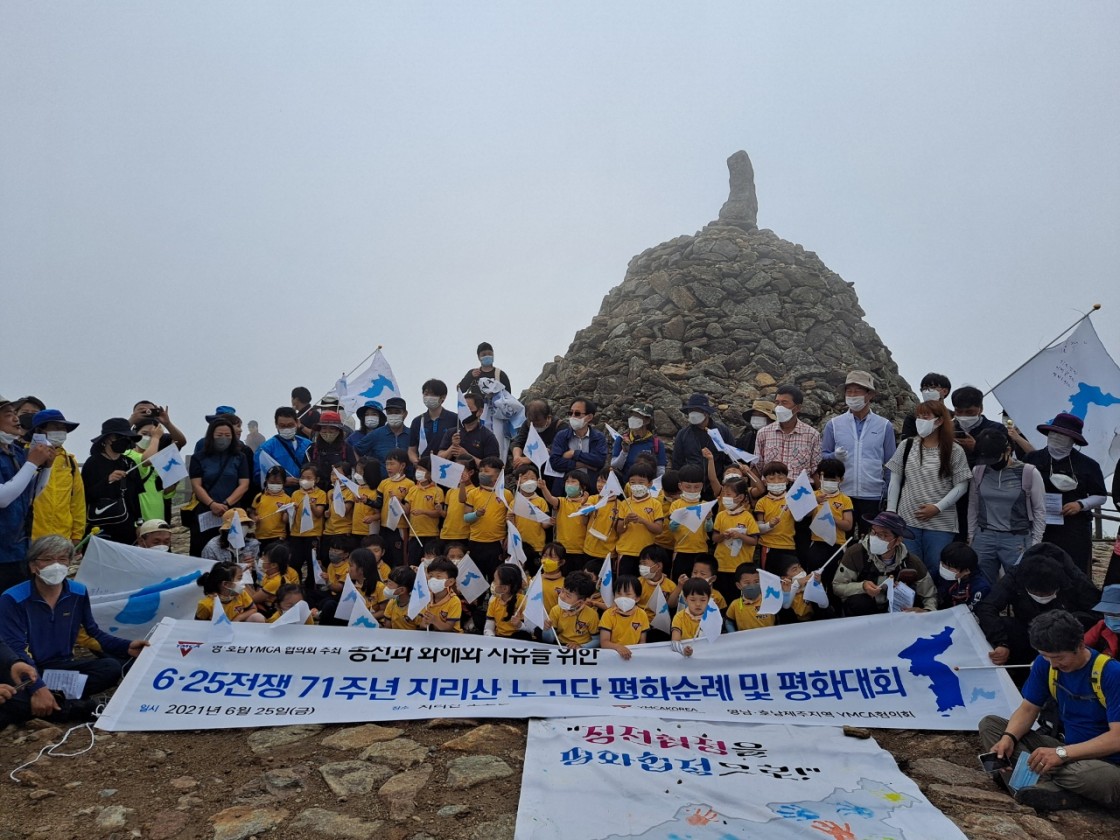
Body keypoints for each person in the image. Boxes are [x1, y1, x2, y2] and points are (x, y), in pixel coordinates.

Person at [977, 609, 1120, 810]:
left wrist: (1061, 754)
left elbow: (1117, 738)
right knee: (991, 725)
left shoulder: (1112, 673)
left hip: (1105, 763)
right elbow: (1028, 709)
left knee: (1100, 778)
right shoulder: (1046, 665)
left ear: (1080, 645)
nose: (1054, 664)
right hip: (1067, 751)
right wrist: (1009, 738)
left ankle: (1031, 782)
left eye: (1059, 657)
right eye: (1045, 656)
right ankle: (1045, 790)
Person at [0, 536, 148, 721]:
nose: (56, 565)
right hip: (25, 668)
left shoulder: (78, 592)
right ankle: (74, 707)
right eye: (47, 559)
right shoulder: (12, 599)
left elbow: (93, 631)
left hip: (58, 667)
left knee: (110, 667)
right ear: (33, 566)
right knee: (11, 695)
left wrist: (127, 646)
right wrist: (37, 686)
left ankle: (49, 699)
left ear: (70, 562)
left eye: (62, 559)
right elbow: (15, 648)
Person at [975, 543, 1101, 667]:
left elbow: (1098, 612)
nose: (1041, 597)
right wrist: (1001, 642)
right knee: (1003, 624)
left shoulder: (1074, 578)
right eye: (1036, 593)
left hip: (1065, 634)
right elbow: (987, 606)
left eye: (1046, 593)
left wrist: (1068, 624)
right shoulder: (1016, 575)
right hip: (1028, 629)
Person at [886, 400, 970, 565]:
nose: (920, 421)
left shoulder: (954, 450)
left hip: (941, 524)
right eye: (918, 417)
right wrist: (891, 511)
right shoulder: (907, 445)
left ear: (939, 421)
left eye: (925, 417)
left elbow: (962, 485)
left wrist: (937, 507)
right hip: (907, 520)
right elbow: (894, 479)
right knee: (910, 566)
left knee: (936, 566)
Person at [1024, 413, 1107, 577]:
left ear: (1073, 440)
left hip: (1073, 527)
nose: (1056, 437)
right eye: (1053, 433)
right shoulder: (1032, 459)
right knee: (1037, 569)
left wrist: (1081, 504)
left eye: (1062, 435)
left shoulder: (1088, 465)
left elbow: (1101, 495)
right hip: (1038, 524)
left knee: (1073, 571)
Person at [821, 370, 897, 537]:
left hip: (873, 496)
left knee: (869, 541)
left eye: (857, 391)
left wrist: (889, 498)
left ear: (869, 395)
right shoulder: (834, 425)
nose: (852, 396)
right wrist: (834, 456)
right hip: (841, 495)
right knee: (839, 541)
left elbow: (891, 464)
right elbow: (823, 456)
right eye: (849, 392)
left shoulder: (884, 426)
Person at [969, 427, 1047, 583]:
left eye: (994, 458)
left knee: (1018, 582)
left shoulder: (1028, 473)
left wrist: (1035, 543)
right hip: (984, 536)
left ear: (1008, 450)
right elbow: (973, 505)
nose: (991, 463)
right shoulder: (979, 471)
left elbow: (1039, 510)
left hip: (1016, 538)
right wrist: (971, 536)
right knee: (982, 582)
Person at [831, 511, 938, 615]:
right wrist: (862, 587)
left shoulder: (911, 562)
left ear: (898, 540)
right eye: (873, 532)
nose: (876, 538)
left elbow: (930, 595)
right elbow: (837, 587)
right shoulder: (855, 553)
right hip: (864, 612)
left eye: (884, 535)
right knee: (859, 602)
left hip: (897, 613)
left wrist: (926, 611)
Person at [1, 395, 54, 591]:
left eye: (15, 413)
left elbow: (30, 494)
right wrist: (32, 463)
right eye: (8, 414)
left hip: (18, 549)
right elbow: (3, 498)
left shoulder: (15, 451)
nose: (16, 419)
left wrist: (46, 467)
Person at [186, 417, 250, 556]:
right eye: (219, 435)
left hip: (232, 510)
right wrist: (212, 504)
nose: (223, 439)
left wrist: (226, 504)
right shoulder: (198, 458)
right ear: (211, 435)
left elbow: (244, 484)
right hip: (206, 510)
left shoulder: (240, 457)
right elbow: (196, 485)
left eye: (227, 435)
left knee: (232, 549)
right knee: (202, 549)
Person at [25, 409, 85, 544]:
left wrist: (77, 535)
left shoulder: (70, 462)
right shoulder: (24, 456)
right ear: (40, 430)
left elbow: (77, 501)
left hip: (62, 537)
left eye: (63, 428)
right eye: (56, 427)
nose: (61, 431)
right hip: (30, 536)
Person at [82, 418, 144, 545]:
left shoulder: (129, 463)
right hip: (100, 527)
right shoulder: (93, 463)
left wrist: (139, 523)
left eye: (127, 437)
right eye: (119, 437)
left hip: (126, 526)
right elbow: (84, 495)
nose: (124, 440)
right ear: (107, 439)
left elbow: (135, 498)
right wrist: (108, 480)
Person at [754, 385, 821, 480]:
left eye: (784, 403)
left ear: (797, 408)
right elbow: (757, 467)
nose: (779, 407)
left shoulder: (812, 435)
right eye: (777, 403)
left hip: (799, 488)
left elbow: (816, 470)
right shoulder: (763, 433)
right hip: (771, 487)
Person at [460, 456, 510, 580]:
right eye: (481, 470)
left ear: (498, 475)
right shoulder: (473, 493)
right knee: (477, 579)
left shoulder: (506, 494)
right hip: (476, 542)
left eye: (487, 471)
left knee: (496, 577)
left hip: (497, 543)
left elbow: (510, 519)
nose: (482, 474)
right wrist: (476, 514)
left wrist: (508, 536)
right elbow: (466, 518)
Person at [711, 476, 760, 603]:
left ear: (740, 497)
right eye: (724, 494)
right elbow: (714, 537)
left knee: (738, 600)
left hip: (740, 567)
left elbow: (754, 541)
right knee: (722, 599)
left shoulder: (747, 517)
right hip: (722, 565)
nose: (724, 497)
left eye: (728, 494)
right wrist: (723, 535)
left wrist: (740, 536)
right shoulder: (721, 515)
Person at [613, 463, 665, 578]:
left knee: (644, 583)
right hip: (626, 551)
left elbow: (658, 529)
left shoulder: (655, 504)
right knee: (624, 583)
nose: (636, 486)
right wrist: (626, 520)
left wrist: (643, 521)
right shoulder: (625, 503)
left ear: (650, 483)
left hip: (646, 555)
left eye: (641, 483)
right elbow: (619, 529)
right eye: (632, 482)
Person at [548, 397, 608, 496]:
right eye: (570, 413)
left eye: (577, 414)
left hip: (590, 490)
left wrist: (574, 453)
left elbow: (599, 461)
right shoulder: (562, 436)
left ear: (589, 417)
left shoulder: (598, 437)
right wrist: (583, 464)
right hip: (564, 491)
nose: (572, 416)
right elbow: (555, 462)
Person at [668, 464, 717, 581]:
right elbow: (672, 528)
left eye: (696, 487)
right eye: (688, 487)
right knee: (680, 580)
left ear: (702, 486)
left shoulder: (704, 504)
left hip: (700, 550)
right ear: (680, 486)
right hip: (682, 550)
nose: (692, 490)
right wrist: (677, 520)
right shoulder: (676, 504)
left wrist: (709, 519)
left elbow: (709, 529)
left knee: (699, 582)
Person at [805, 458, 854, 575]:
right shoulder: (813, 495)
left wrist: (833, 519)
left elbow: (848, 525)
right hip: (817, 543)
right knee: (814, 577)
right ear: (819, 477)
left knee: (833, 579)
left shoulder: (845, 499)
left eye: (832, 480)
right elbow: (805, 515)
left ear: (841, 479)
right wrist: (814, 501)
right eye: (826, 479)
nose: (829, 482)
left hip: (837, 545)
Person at [670, 394, 733, 475]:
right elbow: (677, 462)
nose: (693, 414)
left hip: (716, 480)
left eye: (697, 410)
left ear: (706, 412)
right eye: (691, 410)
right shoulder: (683, 434)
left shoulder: (722, 432)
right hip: (691, 480)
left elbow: (731, 458)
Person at [255, 407, 312, 492]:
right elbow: (258, 475)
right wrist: (281, 481)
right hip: (278, 495)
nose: (286, 429)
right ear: (276, 425)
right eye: (282, 426)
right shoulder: (265, 449)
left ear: (297, 423)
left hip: (305, 494)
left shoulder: (308, 444)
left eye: (290, 425)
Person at [289, 464, 327, 591]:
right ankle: (296, 587)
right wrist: (292, 509)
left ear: (316, 479)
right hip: (296, 534)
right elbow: (290, 517)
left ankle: (311, 589)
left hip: (312, 534)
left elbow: (319, 513)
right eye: (303, 477)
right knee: (295, 562)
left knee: (312, 563)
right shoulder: (295, 494)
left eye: (309, 478)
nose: (305, 480)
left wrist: (312, 505)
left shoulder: (320, 494)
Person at [436, 391, 500, 466]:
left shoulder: (488, 436)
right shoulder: (451, 433)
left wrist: (467, 456)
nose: (464, 412)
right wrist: (452, 447)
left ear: (480, 411)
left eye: (468, 409)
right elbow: (438, 460)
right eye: (462, 408)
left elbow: (491, 467)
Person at [403, 457, 445, 565]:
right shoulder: (413, 489)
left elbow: (438, 513)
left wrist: (423, 512)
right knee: (414, 564)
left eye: (422, 469)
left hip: (430, 535)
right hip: (414, 534)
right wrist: (396, 502)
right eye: (418, 469)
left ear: (430, 474)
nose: (418, 472)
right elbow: (406, 509)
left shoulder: (437, 491)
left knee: (430, 564)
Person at [543, 569, 600, 648]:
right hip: (561, 646)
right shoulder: (555, 610)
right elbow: (548, 640)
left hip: (582, 649)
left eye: (568, 595)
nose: (562, 596)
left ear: (580, 602)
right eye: (562, 591)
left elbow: (597, 640)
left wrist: (581, 646)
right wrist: (546, 629)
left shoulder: (592, 615)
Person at [194, 561, 264, 622]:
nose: (242, 582)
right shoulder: (206, 605)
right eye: (239, 578)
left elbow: (253, 609)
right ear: (226, 584)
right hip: (217, 631)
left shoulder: (241, 594)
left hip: (239, 627)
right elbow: (198, 626)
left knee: (258, 617)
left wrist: (238, 618)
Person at [408, 380, 458, 465]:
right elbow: (411, 450)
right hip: (423, 468)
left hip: (447, 467)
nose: (428, 397)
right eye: (426, 394)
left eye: (432, 394)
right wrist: (416, 462)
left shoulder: (454, 419)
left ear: (443, 397)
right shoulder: (417, 421)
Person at [599, 575, 648, 659]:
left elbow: (642, 641)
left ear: (637, 598)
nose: (622, 598)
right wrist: (619, 648)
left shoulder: (642, 614)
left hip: (633, 656)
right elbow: (604, 642)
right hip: (612, 656)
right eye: (619, 594)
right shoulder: (608, 614)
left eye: (628, 594)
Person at [610, 403, 666, 476]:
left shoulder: (657, 443)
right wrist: (624, 452)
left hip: (648, 482)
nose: (633, 419)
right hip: (626, 482)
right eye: (631, 415)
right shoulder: (621, 440)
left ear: (647, 420)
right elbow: (615, 466)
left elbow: (660, 471)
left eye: (637, 416)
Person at [935, 542, 991, 611]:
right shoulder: (938, 573)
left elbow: (971, 611)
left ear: (966, 571)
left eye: (949, 568)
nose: (944, 568)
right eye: (942, 563)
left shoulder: (980, 587)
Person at [306, 411, 354, 491]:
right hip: (316, 491)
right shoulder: (311, 448)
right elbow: (305, 470)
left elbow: (353, 470)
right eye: (324, 428)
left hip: (341, 491)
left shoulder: (347, 448)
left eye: (332, 428)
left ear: (338, 430)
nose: (327, 431)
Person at [724, 562, 775, 632]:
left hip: (769, 636)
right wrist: (733, 634)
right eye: (747, 583)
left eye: (756, 581)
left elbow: (784, 606)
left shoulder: (769, 600)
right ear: (739, 585)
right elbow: (728, 622)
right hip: (745, 638)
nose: (752, 586)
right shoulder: (735, 605)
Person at [510, 399, 560, 470]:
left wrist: (531, 459)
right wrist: (517, 457)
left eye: (538, 424)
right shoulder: (527, 424)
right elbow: (519, 441)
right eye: (532, 423)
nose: (534, 426)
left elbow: (556, 446)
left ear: (548, 417)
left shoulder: (560, 426)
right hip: (532, 466)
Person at [671, 577, 715, 656]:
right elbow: (674, 642)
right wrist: (683, 650)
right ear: (685, 599)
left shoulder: (713, 618)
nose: (698, 604)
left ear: (708, 599)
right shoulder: (679, 617)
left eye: (703, 600)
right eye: (693, 600)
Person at [900, 373, 951, 440]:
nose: (927, 391)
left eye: (932, 387)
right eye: (924, 388)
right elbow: (906, 441)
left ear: (945, 391)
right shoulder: (913, 418)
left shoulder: (952, 417)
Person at [484, 564, 530, 640]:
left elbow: (531, 630)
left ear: (505, 588)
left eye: (495, 580)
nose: (493, 583)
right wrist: (491, 637)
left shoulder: (523, 602)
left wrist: (519, 625)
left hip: (518, 640)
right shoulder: (493, 601)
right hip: (499, 639)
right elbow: (488, 627)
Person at [418, 558, 462, 632]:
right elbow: (420, 624)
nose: (433, 580)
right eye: (431, 576)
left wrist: (434, 620)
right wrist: (423, 624)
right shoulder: (426, 598)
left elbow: (449, 628)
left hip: (451, 636)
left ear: (450, 582)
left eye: (438, 576)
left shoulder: (454, 601)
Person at [1083, 585, 1120, 658]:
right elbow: (1080, 646)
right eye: (1107, 613)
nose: (1111, 617)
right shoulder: (1102, 626)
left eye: (1117, 614)